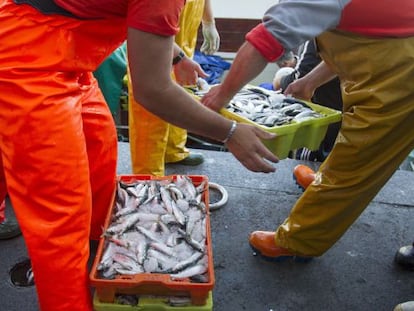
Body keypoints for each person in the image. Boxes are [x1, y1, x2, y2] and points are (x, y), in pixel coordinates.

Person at [0, 1, 278, 310]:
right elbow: (151, 90)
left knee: (99, 161)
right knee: (61, 213)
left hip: (72, 59)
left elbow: (142, 18)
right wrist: (229, 132)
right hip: (23, 57)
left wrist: (177, 57)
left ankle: (106, 255)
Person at [202, 0, 414, 276]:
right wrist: (310, 82)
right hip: (388, 70)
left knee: (357, 159)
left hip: (401, 83)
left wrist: (221, 96)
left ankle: (298, 241)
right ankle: (325, 183)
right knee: (354, 142)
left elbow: (263, 41)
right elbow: (365, 36)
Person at [128, 0, 220, 176]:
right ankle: (148, 173)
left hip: (188, 16)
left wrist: (209, 21)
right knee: (152, 95)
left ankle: (174, 150)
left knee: (181, 82)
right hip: (155, 12)